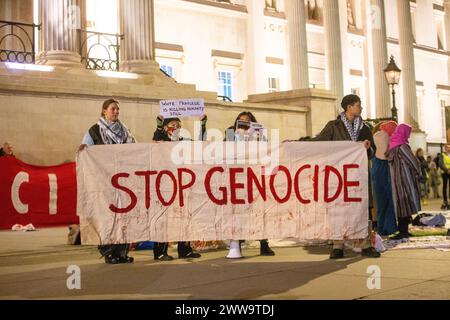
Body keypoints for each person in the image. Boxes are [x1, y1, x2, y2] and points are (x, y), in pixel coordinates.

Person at [309, 94, 380, 259]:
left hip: (359, 176)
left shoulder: (365, 128)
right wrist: (298, 143)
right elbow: (319, 142)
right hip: (339, 176)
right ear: (349, 107)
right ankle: (337, 245)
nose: (361, 108)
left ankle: (365, 244)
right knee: (338, 210)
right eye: (358, 105)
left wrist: (368, 148)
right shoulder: (334, 126)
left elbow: (373, 151)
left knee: (362, 210)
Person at [78, 98, 136, 264]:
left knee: (123, 216)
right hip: (103, 182)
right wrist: (83, 150)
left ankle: (122, 251)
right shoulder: (95, 130)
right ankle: (109, 251)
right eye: (113, 109)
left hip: (123, 181)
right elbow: (85, 149)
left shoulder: (125, 131)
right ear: (104, 111)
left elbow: (134, 149)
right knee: (107, 216)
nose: (116, 112)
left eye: (117, 109)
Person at [151, 115, 206, 261]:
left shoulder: (184, 142)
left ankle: (185, 249)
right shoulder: (162, 141)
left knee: (185, 217)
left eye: (178, 125)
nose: (176, 128)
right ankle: (160, 251)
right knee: (164, 218)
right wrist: (158, 127)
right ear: (165, 127)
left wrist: (202, 125)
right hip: (165, 185)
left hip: (183, 184)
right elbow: (156, 144)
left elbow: (201, 144)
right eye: (172, 125)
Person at [224, 111, 275, 258]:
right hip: (238, 175)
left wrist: (258, 139)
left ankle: (264, 244)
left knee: (259, 209)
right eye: (241, 120)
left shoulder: (259, 135)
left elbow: (267, 150)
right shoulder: (230, 133)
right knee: (238, 210)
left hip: (255, 175)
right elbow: (225, 150)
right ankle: (237, 243)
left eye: (247, 120)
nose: (244, 122)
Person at [386, 124, 422, 240]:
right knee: (406, 202)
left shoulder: (393, 144)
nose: (409, 135)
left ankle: (403, 230)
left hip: (396, 179)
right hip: (405, 179)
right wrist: (419, 172)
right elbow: (413, 161)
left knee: (401, 204)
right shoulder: (402, 146)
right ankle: (403, 231)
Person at [371, 121, 398, 236]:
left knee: (380, 200)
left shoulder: (376, 135)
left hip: (376, 167)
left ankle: (382, 227)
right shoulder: (384, 136)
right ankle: (389, 228)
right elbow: (385, 154)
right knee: (388, 199)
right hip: (383, 167)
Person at [438, 145, 450, 210]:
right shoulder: (442, 155)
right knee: (445, 186)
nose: (449, 149)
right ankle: (445, 200)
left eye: (449, 148)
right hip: (445, 172)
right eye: (447, 148)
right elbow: (440, 163)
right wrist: (447, 170)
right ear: (445, 148)